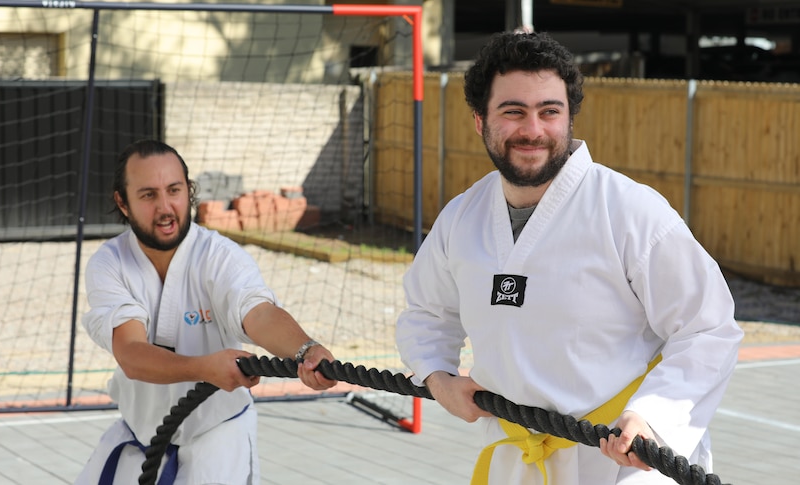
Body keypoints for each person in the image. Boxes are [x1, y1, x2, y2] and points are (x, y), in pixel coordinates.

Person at [395, 31, 744, 485]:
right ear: (480, 121)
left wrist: (652, 418)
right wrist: (437, 375)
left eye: (549, 112)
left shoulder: (630, 210)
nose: (533, 129)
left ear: (570, 117)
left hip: (628, 460)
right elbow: (426, 312)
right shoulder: (462, 217)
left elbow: (708, 327)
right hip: (516, 457)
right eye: (513, 111)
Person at [76, 139, 337, 485]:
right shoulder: (109, 263)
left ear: (190, 191)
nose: (166, 208)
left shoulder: (220, 256)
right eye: (148, 195)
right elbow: (131, 355)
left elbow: (258, 313)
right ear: (122, 202)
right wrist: (204, 369)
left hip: (217, 438)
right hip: (141, 438)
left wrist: (305, 349)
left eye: (174, 190)